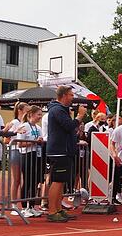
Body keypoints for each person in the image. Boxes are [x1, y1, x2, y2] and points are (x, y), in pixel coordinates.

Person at [46, 86, 87, 222]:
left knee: (61, 181)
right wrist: (79, 116)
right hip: (59, 151)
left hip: (65, 150)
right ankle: (52, 211)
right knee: (57, 181)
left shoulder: (61, 110)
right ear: (63, 96)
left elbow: (68, 128)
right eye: (70, 95)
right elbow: (68, 125)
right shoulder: (57, 110)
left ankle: (58, 209)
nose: (72, 97)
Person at [14, 105, 44, 217]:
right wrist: (33, 142)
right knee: (27, 180)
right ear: (31, 114)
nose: (40, 117)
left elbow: (40, 140)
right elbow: (19, 143)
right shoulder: (24, 126)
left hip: (36, 155)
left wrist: (40, 141)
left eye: (41, 115)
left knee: (34, 181)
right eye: (38, 114)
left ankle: (31, 206)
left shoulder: (38, 128)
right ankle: (24, 207)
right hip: (26, 155)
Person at [6, 102, 29, 213]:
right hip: (15, 150)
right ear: (20, 110)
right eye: (26, 109)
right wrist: (15, 135)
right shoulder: (15, 122)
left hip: (23, 151)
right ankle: (13, 204)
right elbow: (6, 139)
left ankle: (23, 204)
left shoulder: (25, 123)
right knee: (16, 179)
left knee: (22, 179)